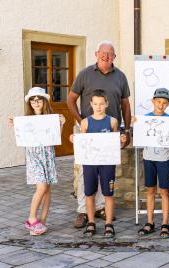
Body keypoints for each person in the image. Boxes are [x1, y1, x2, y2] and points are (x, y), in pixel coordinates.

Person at [67, 40, 132, 228]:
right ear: (96, 54)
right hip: (87, 130)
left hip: (110, 130)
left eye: (110, 53)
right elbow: (71, 99)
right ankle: (82, 211)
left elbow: (125, 105)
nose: (106, 56)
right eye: (103, 53)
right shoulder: (85, 74)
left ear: (114, 57)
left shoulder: (120, 76)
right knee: (84, 174)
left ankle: (102, 207)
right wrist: (81, 122)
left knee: (106, 169)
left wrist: (126, 130)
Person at [9, 87, 65, 235]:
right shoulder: (26, 120)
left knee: (47, 191)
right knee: (41, 187)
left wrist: (62, 124)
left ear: (44, 101)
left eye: (39, 99)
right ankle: (32, 219)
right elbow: (22, 135)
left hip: (47, 155)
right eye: (33, 100)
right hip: (34, 157)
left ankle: (42, 222)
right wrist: (16, 126)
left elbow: (56, 138)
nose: (36, 102)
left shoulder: (51, 117)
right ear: (30, 103)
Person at [70, 89, 126, 237]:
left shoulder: (113, 121)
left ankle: (108, 224)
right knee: (89, 193)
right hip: (90, 163)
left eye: (101, 103)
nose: (98, 106)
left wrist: (121, 141)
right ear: (91, 104)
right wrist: (74, 139)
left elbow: (116, 143)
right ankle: (91, 223)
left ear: (107, 104)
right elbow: (82, 143)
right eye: (95, 104)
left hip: (107, 163)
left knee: (108, 193)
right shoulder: (85, 122)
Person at [136, 88, 169, 239]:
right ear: (153, 101)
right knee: (150, 190)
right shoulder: (144, 119)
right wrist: (135, 123)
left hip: (164, 160)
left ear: (168, 104)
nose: (161, 105)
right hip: (148, 158)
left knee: (164, 191)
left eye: (164, 103)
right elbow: (138, 135)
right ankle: (150, 222)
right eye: (158, 102)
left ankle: (165, 223)